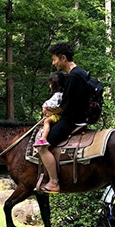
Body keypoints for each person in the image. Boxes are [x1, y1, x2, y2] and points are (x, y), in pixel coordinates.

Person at [36, 42, 90, 194]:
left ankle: (54, 182)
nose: (54, 63)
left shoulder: (73, 77)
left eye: (54, 59)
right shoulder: (81, 72)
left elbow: (65, 108)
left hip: (71, 121)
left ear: (63, 58)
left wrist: (49, 111)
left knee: (41, 146)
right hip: (79, 117)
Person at [33, 71, 65, 147]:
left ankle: (43, 138)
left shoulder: (58, 95)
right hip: (60, 115)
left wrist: (45, 106)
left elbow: (51, 105)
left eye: (50, 84)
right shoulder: (64, 94)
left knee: (46, 121)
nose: (49, 86)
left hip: (58, 116)